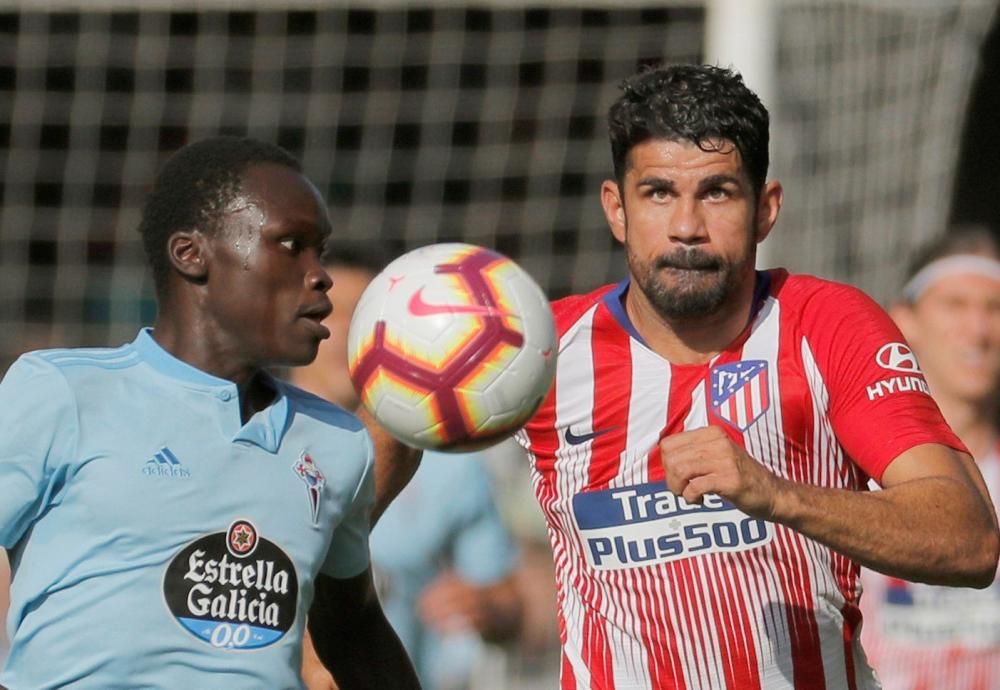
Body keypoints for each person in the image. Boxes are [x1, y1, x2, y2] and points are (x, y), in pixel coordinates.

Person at [363, 64, 1000, 689]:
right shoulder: (543, 347)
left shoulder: (826, 326)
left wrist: (775, 495)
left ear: (765, 209)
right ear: (616, 208)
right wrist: (335, 603)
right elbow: (403, 408)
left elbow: (969, 540)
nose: (687, 227)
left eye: (717, 192)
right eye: (658, 192)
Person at [0, 136, 420, 689]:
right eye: (292, 245)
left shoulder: (339, 443)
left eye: (321, 250)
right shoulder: (62, 392)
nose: (321, 276)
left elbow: (353, 626)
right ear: (190, 254)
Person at [293, 240, 524, 690]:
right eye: (334, 311)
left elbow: (510, 602)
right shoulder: (255, 441)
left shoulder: (443, 463)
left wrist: (486, 605)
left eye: (365, 314)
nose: (348, 331)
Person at [860, 227, 1000, 688]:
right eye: (955, 304)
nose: (978, 331)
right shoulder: (849, 479)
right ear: (905, 321)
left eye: (994, 308)